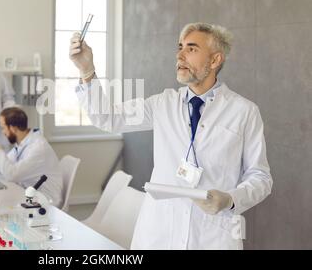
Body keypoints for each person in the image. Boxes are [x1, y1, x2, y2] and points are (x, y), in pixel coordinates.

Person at [69, 22, 273, 250]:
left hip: (211, 237)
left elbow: (261, 177)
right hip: (159, 234)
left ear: (215, 60)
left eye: (191, 49)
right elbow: (107, 118)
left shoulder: (244, 111)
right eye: (180, 47)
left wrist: (231, 199)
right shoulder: (162, 104)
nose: (180, 55)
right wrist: (87, 71)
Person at [0, 107, 63, 208]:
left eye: (3, 127)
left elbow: (12, 174)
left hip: (46, 202)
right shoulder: (23, 144)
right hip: (31, 196)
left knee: (0, 207)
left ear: (13, 128)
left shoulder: (38, 148)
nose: (3, 132)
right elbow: (1, 166)